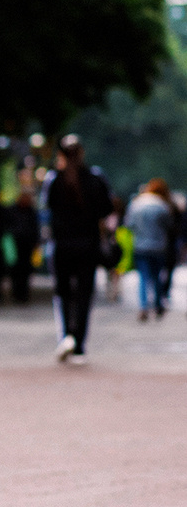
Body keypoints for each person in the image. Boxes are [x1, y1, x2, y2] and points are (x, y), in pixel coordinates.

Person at [44, 135, 113, 364]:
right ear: (81, 153)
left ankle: (67, 336)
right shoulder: (95, 179)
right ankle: (79, 344)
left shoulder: (54, 180)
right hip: (88, 246)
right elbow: (106, 209)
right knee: (84, 295)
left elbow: (49, 210)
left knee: (63, 294)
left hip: (62, 246)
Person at [125, 179, 176, 320]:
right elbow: (169, 225)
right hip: (159, 246)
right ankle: (158, 304)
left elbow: (129, 224)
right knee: (157, 276)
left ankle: (143, 306)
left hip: (140, 246)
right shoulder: (162, 205)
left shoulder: (136, 204)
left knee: (143, 277)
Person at [7, 193, 41, 304]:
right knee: (15, 269)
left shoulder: (31, 212)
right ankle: (17, 293)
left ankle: (24, 294)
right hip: (15, 243)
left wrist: (36, 242)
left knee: (26, 270)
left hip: (27, 244)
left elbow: (35, 228)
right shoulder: (12, 211)